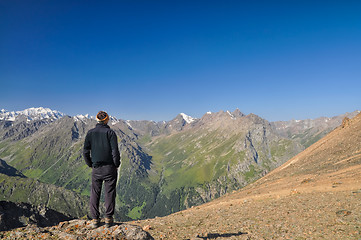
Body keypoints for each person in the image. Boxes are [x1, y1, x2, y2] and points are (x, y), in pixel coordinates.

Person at [83, 111, 120, 228]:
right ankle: (108, 219)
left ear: (97, 120)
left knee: (95, 193)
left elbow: (85, 151)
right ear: (107, 120)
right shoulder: (110, 133)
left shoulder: (90, 133)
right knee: (109, 193)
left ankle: (95, 219)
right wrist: (116, 164)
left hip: (96, 168)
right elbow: (115, 151)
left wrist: (90, 164)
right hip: (109, 168)